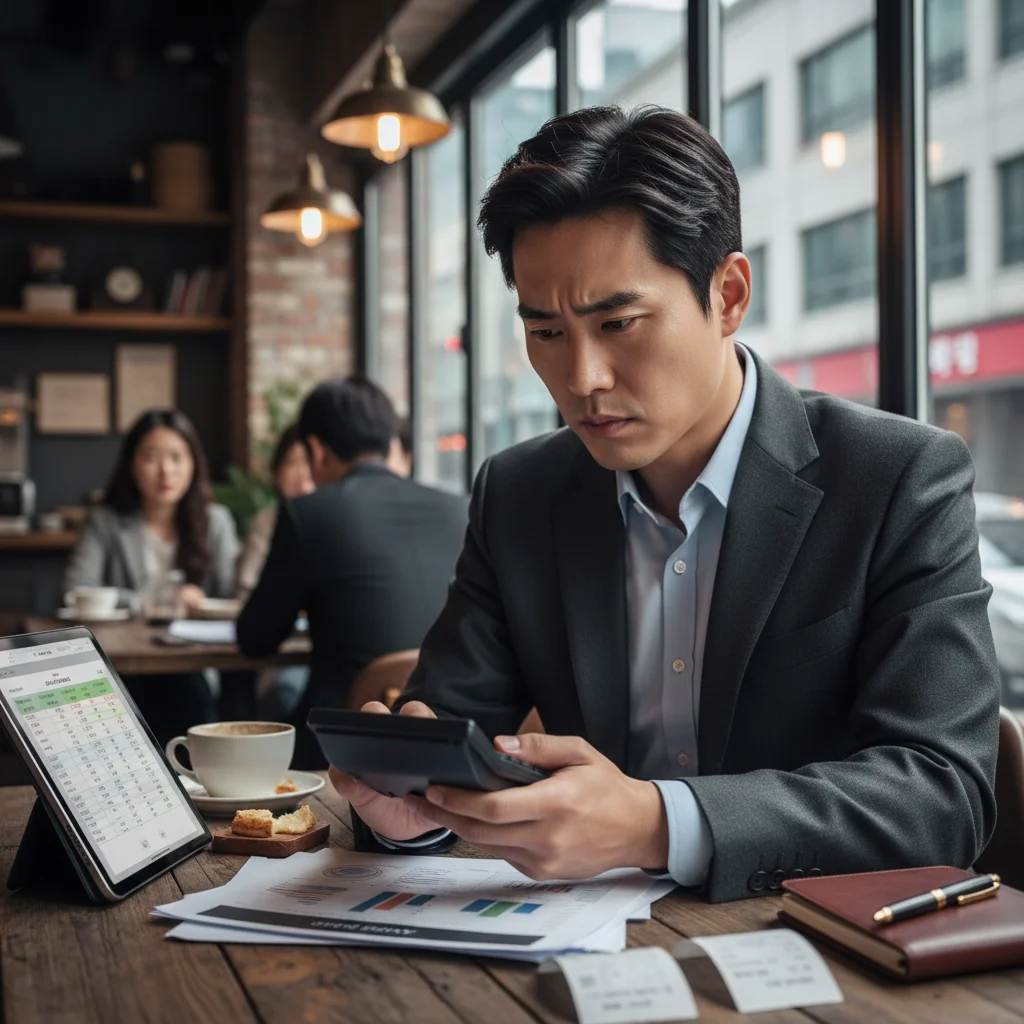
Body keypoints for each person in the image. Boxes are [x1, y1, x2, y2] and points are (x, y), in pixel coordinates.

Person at [329, 106, 1001, 903]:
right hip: (586, 950)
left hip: (821, 950)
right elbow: (454, 730)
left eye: (618, 322)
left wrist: (657, 822)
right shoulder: (520, 493)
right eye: (545, 332)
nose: (582, 378)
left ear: (728, 294)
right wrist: (413, 810)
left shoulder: (897, 478)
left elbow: (940, 794)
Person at [236, 377, 468, 766]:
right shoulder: (459, 509)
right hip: (449, 740)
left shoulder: (308, 514)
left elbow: (256, 638)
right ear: (389, 441)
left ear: (315, 450)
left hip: (339, 747)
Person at [64, 409, 239, 741]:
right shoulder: (106, 520)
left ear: (193, 464)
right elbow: (76, 588)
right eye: (152, 457)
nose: (166, 471)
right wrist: (151, 601)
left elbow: (234, 598)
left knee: (189, 695)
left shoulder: (216, 521)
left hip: (191, 662)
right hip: (121, 664)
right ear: (132, 463)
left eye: (177, 457)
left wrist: (201, 603)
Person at [236, 424, 316, 603]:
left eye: (309, 462)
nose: (302, 474)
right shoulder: (267, 521)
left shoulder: (338, 523)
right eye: (291, 462)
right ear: (276, 473)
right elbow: (246, 587)